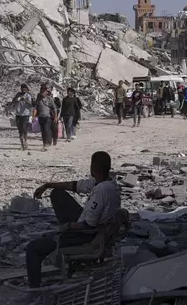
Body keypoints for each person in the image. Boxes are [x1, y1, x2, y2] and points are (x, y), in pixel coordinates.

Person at [26, 151, 120, 288]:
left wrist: (67, 227)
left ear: (93, 166)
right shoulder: (109, 184)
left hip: (86, 235)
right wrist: (48, 185)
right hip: (98, 226)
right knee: (57, 193)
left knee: (33, 248)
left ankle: (34, 289)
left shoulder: (101, 191)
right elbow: (75, 185)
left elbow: (88, 225)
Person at [10, 84, 33, 150]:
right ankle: (22, 145)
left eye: (24, 88)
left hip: (25, 114)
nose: (23, 89)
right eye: (22, 88)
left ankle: (25, 143)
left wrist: (25, 100)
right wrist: (15, 100)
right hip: (18, 114)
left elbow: (31, 104)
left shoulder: (28, 95)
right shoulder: (18, 94)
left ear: (26, 89)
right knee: (20, 130)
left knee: (24, 129)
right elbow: (13, 101)